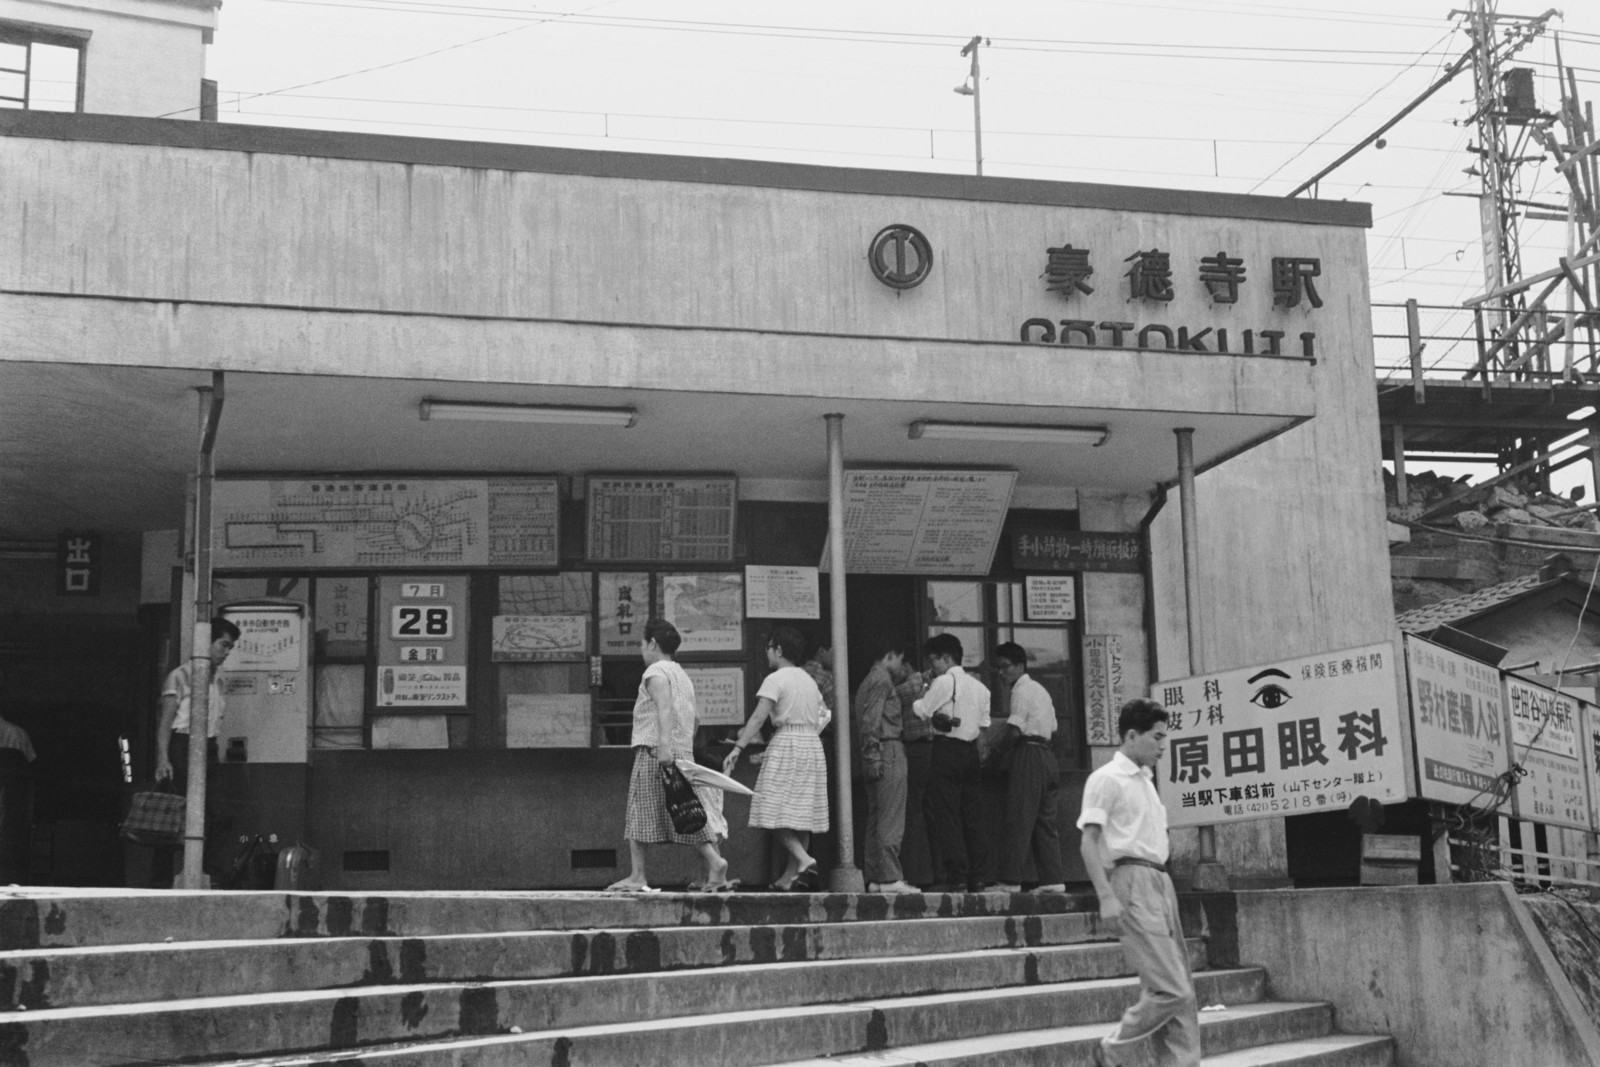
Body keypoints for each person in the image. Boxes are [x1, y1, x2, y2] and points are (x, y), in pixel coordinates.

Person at [1078, 698, 1198, 1067]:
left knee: (1180, 988)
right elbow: (1088, 840)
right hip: (1130, 879)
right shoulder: (1106, 779)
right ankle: (1113, 1048)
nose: (1163, 746)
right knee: (1171, 988)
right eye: (1157, 737)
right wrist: (1105, 895)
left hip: (1160, 881)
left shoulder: (1146, 781)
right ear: (1132, 735)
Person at [608, 618, 729, 893]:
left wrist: (664, 747)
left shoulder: (656, 672)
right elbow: (696, 717)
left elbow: (663, 708)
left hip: (655, 752)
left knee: (638, 811)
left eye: (642, 642)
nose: (641, 648)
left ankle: (638, 876)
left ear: (652, 643)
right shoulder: (682, 675)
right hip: (680, 752)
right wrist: (680, 744)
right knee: (685, 811)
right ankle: (715, 861)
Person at [723, 625, 831, 891]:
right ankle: (790, 878)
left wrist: (738, 747)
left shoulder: (776, 678)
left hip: (787, 742)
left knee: (770, 808)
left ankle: (805, 860)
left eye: (769, 647)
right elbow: (824, 714)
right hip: (811, 744)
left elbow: (759, 717)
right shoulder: (809, 679)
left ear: (779, 650)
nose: (766, 652)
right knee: (801, 813)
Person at [152, 615, 240, 887]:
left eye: (229, 648)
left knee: (222, 813)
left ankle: (212, 876)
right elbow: (166, 720)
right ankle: (165, 880)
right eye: (223, 645)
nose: (225, 652)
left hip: (209, 747)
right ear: (207, 642)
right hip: (182, 745)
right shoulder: (180, 675)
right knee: (177, 817)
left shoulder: (220, 680)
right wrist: (163, 757)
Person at [911, 632, 990, 893]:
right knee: (973, 815)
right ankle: (978, 876)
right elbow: (984, 727)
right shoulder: (981, 688)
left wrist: (923, 690)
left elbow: (922, 710)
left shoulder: (944, 682)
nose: (931, 666)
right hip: (971, 752)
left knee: (947, 814)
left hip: (946, 749)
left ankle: (956, 876)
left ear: (946, 658)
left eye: (934, 660)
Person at [990, 642, 1066, 894]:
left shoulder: (1021, 691)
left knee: (1019, 817)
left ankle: (1009, 881)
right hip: (1046, 754)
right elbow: (1053, 727)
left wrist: (995, 753)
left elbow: (1014, 730)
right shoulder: (1041, 690)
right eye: (998, 668)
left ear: (1020, 666)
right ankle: (1052, 880)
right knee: (1045, 821)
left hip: (1028, 753)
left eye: (1005, 667)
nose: (1001, 672)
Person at [854, 643, 916, 894]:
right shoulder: (882, 680)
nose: (901, 666)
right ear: (890, 655)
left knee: (877, 817)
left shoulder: (868, 681)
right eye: (900, 659)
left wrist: (869, 755)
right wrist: (874, 755)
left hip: (876, 752)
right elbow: (872, 721)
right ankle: (890, 876)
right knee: (891, 817)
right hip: (887, 749)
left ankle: (877, 877)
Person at [895, 662, 939, 888]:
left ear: (904, 665)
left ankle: (913, 873)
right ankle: (936, 873)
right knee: (934, 813)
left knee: (912, 813)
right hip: (934, 749)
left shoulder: (900, 690)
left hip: (912, 751)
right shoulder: (933, 685)